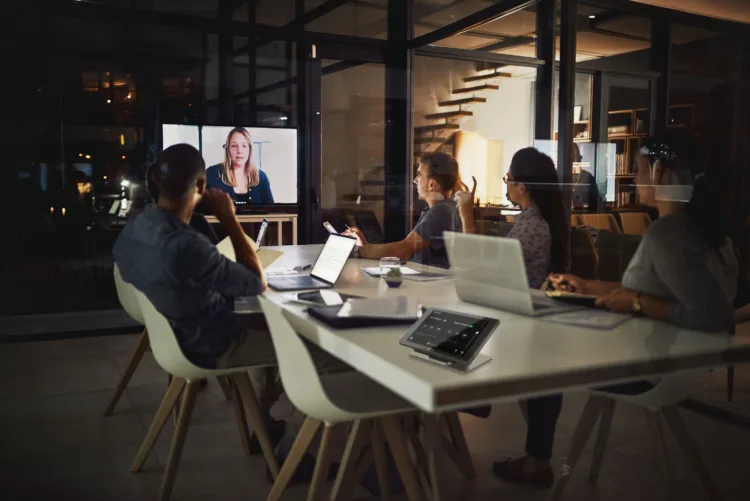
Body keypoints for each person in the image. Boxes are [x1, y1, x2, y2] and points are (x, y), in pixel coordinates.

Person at [491, 129, 739, 488]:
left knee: (542, 352)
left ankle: (536, 460)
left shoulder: (668, 233)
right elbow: (663, 293)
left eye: (638, 168)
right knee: (549, 335)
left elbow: (713, 316)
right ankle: (536, 458)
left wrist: (636, 302)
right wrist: (589, 286)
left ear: (659, 171)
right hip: (675, 367)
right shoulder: (707, 231)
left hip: (644, 366)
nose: (634, 178)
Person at [113, 144, 343, 450]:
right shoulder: (188, 244)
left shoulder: (135, 230)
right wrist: (229, 218)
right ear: (202, 187)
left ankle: (265, 426)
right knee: (325, 350)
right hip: (212, 344)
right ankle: (298, 449)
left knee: (275, 326)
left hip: (177, 335)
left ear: (155, 180)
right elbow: (255, 282)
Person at [456, 147, 569, 289]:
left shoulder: (532, 227)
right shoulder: (536, 220)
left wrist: (466, 215)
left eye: (508, 179)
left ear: (522, 188)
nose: (506, 184)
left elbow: (481, 270)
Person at [343, 151, 462, 268]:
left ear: (431, 184)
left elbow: (404, 250)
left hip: (432, 286)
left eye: (419, 175)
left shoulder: (441, 212)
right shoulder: (443, 209)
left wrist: (358, 251)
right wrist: (365, 246)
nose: (415, 180)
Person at [205, 127, 274, 204]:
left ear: (250, 149)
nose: (239, 151)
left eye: (244, 146)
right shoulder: (211, 173)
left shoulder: (261, 177)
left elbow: (271, 211)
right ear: (228, 149)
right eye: (234, 146)